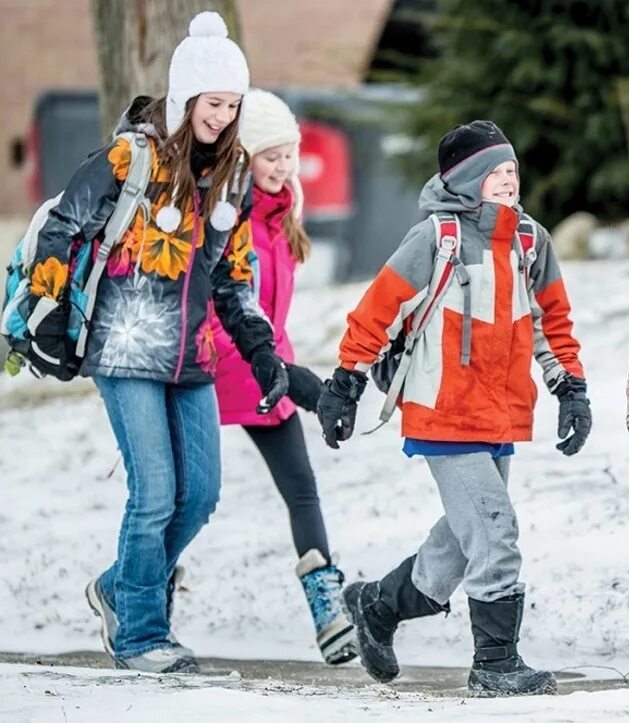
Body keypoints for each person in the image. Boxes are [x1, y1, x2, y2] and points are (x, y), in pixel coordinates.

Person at [23, 12, 288, 673]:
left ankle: (119, 586)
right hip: (124, 347)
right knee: (155, 491)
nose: (222, 117)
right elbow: (62, 226)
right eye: (212, 103)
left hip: (192, 355)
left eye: (232, 105)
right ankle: (141, 632)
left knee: (199, 494)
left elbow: (235, 276)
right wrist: (49, 313)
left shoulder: (234, 179)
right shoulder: (130, 159)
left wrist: (261, 351)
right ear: (185, 100)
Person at [316, 120, 590, 697]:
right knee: (494, 533)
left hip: (501, 414)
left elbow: (551, 323)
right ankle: (495, 664)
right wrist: (345, 382)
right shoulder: (435, 239)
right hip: (444, 411)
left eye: (513, 171)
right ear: (467, 181)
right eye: (497, 173)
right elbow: (377, 312)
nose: (510, 181)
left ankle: (378, 604)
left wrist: (571, 388)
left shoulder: (530, 242)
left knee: (463, 543)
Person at [210, 88, 355, 665]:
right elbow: (225, 303)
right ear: (243, 157)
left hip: (271, 364)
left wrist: (291, 370)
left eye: (289, 153)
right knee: (190, 495)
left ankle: (328, 610)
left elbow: (270, 310)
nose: (283, 165)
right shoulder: (228, 216)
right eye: (270, 155)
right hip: (220, 364)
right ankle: (141, 590)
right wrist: (282, 371)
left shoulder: (284, 212)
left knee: (302, 489)